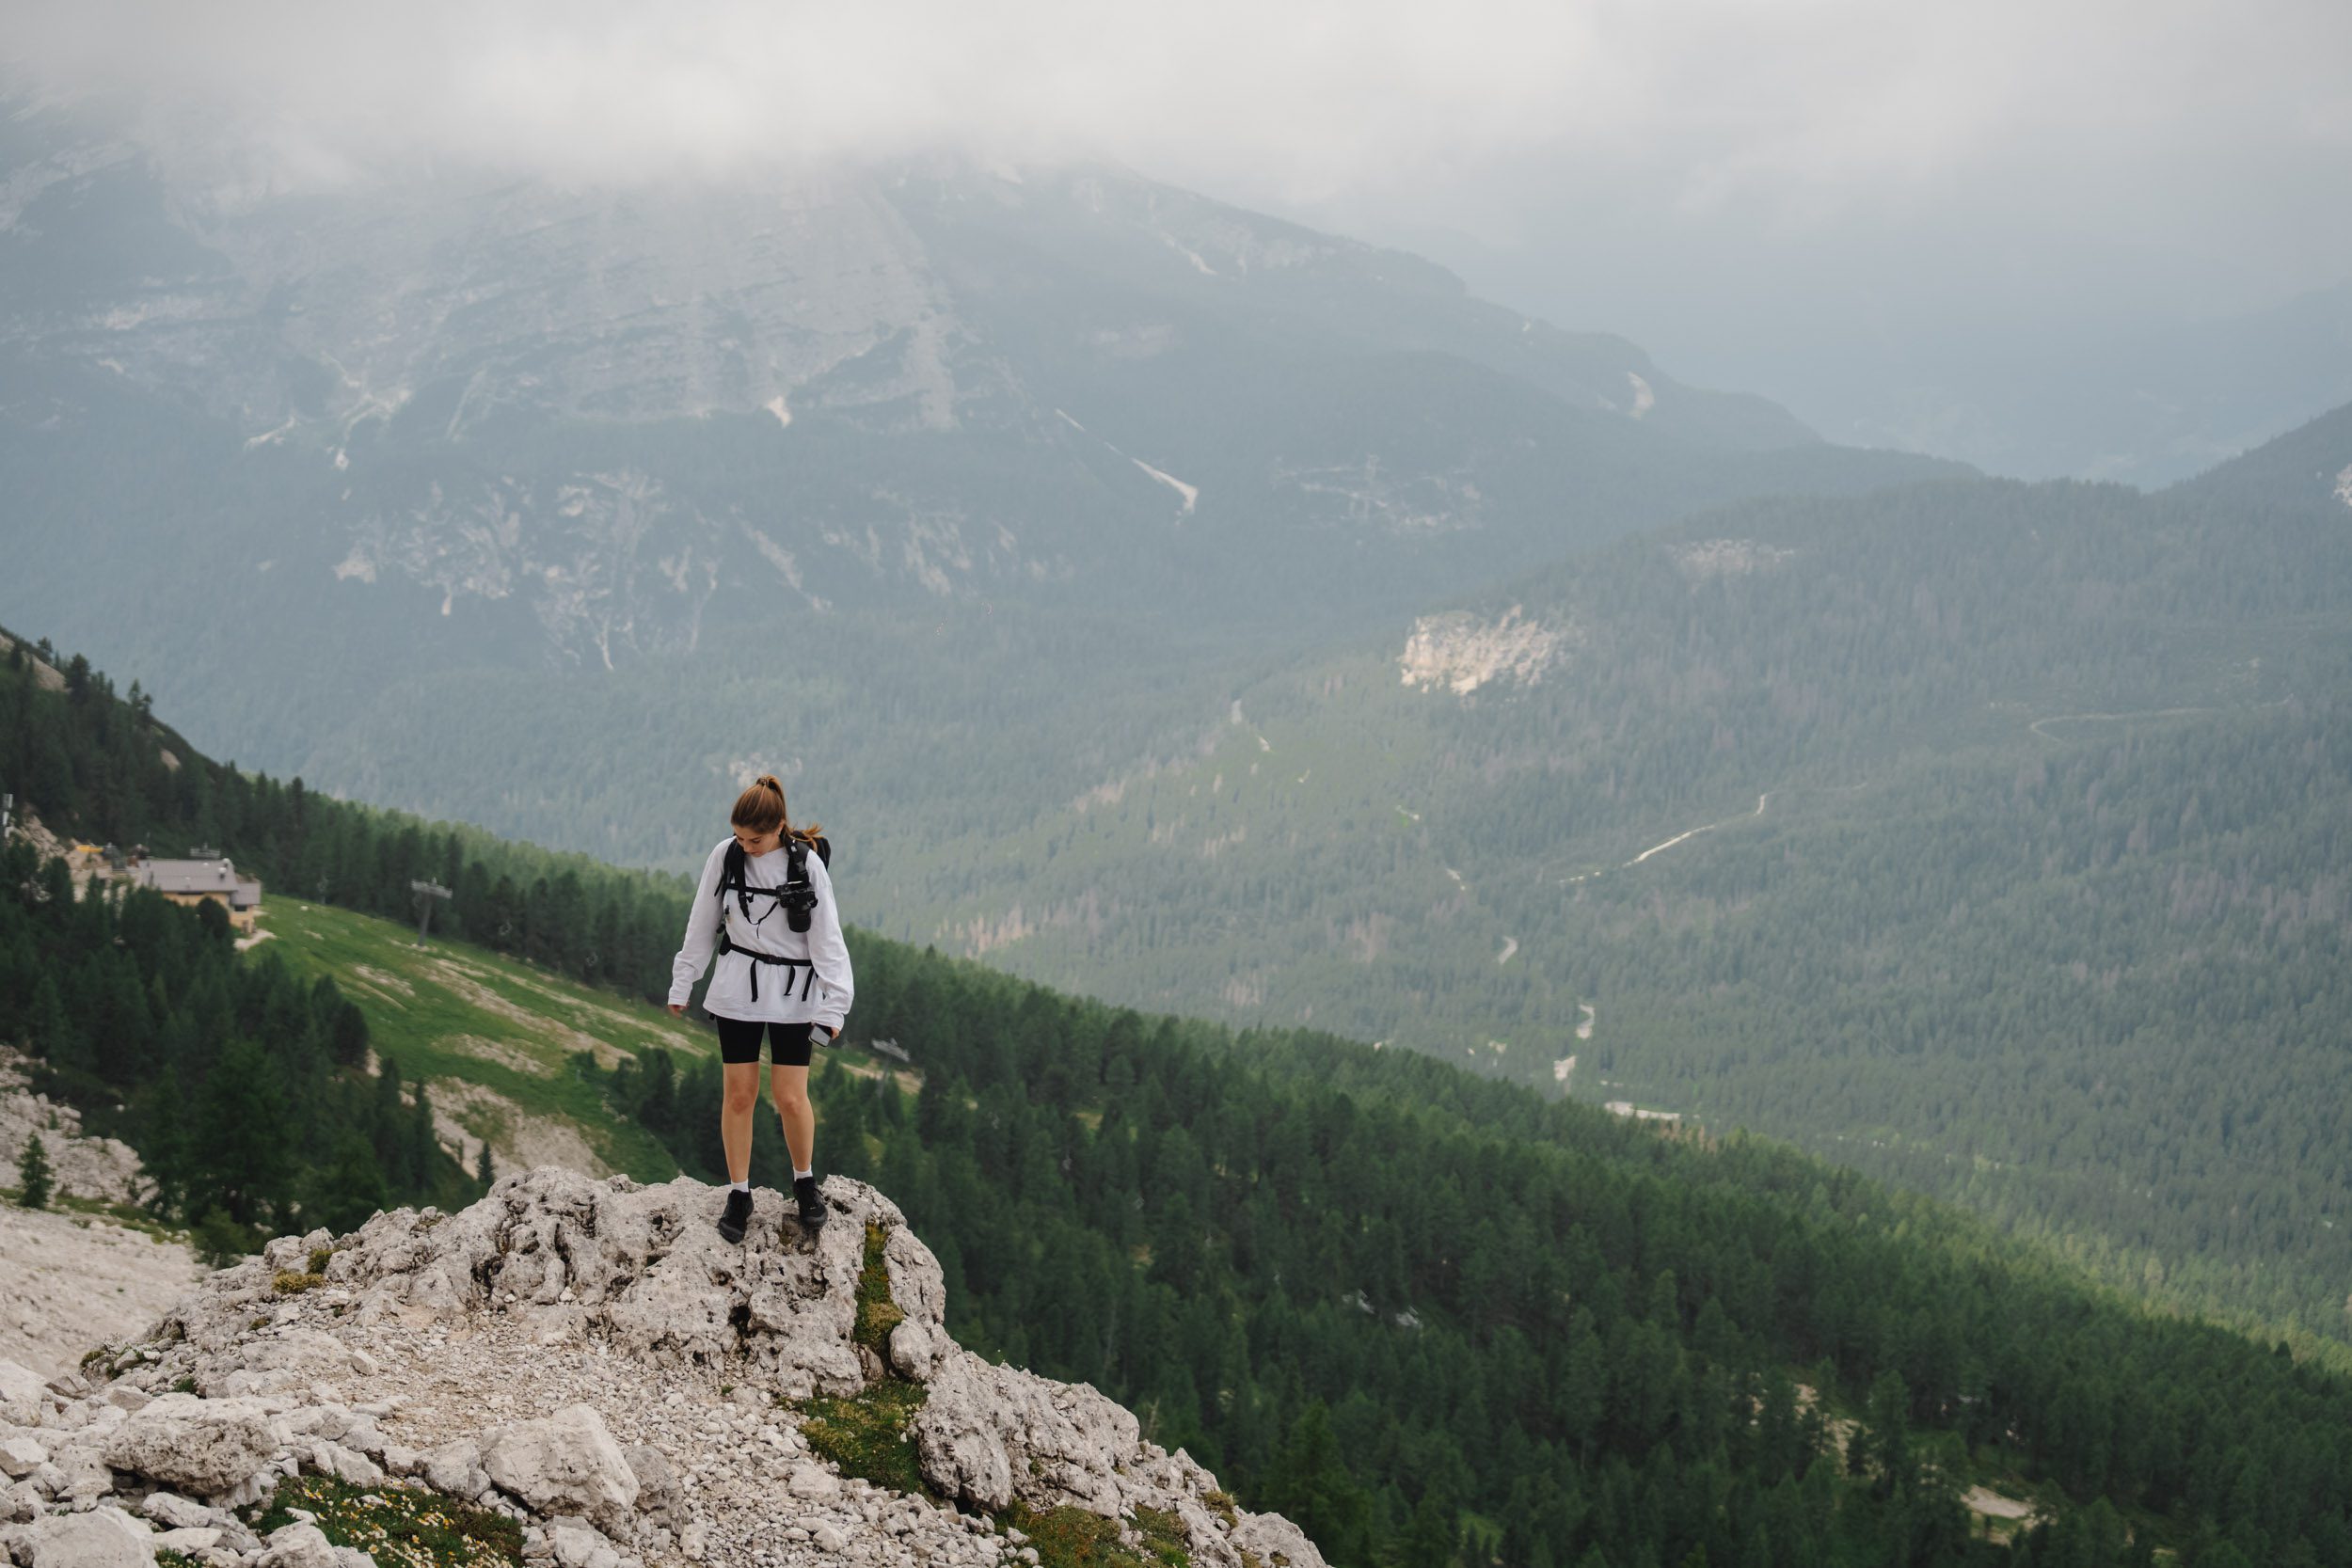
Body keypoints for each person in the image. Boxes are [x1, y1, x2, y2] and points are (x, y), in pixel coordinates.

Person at [668, 773, 852, 1242]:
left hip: (795, 991)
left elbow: (828, 939)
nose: (745, 845)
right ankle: (739, 1192)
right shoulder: (725, 856)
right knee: (739, 1095)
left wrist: (835, 1006)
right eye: (739, 836)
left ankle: (805, 1182)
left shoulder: (806, 866)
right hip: (736, 987)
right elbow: (702, 922)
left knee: (790, 1096)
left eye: (755, 839)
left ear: (779, 828)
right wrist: (683, 980)